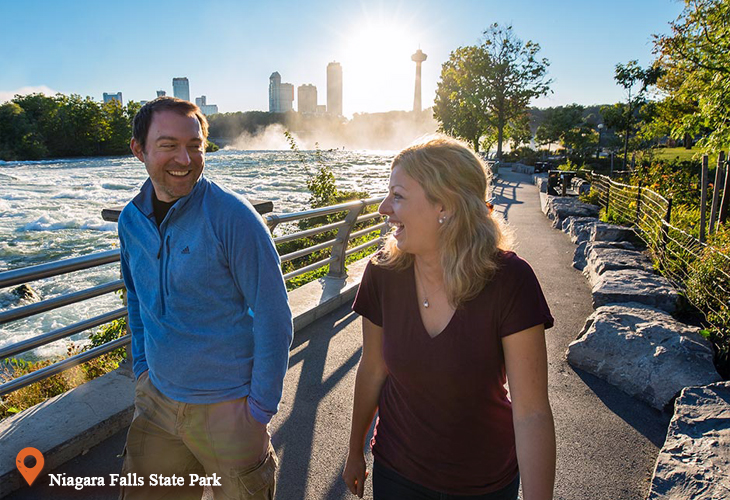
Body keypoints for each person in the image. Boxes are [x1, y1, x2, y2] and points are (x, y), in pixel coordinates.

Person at [342, 135, 556, 500]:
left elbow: (531, 412)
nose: (383, 208)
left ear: (445, 205)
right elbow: (373, 368)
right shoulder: (383, 273)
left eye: (398, 195)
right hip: (397, 473)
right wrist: (353, 451)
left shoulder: (509, 281)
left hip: (484, 484)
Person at [118, 96, 293, 500]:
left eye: (195, 145)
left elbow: (273, 315)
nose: (185, 157)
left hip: (228, 410)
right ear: (139, 149)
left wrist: (259, 411)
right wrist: (143, 368)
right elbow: (136, 298)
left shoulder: (233, 217)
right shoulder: (131, 221)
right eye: (168, 145)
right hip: (157, 401)